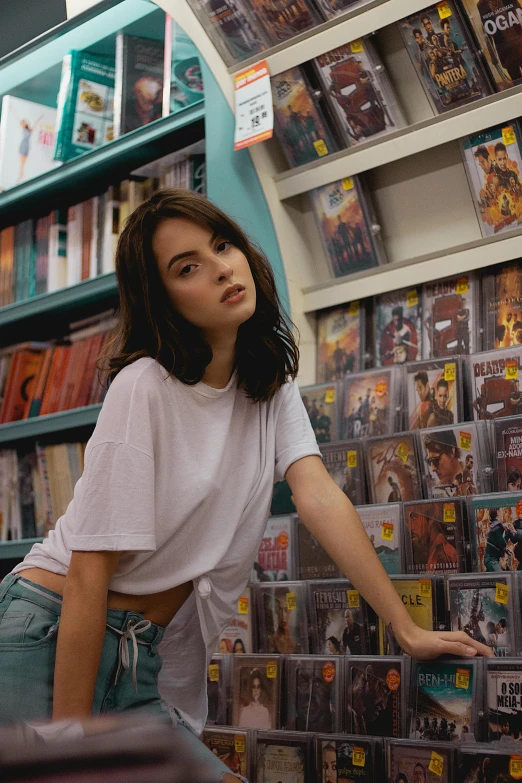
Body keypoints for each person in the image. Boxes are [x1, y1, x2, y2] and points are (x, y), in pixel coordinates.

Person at [0, 189, 491, 773]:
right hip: (50, 634)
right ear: (163, 299)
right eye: (188, 268)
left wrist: (405, 627)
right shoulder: (143, 387)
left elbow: (318, 496)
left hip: (139, 654)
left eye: (222, 245)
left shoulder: (268, 385)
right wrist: (69, 743)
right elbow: (87, 576)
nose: (221, 269)